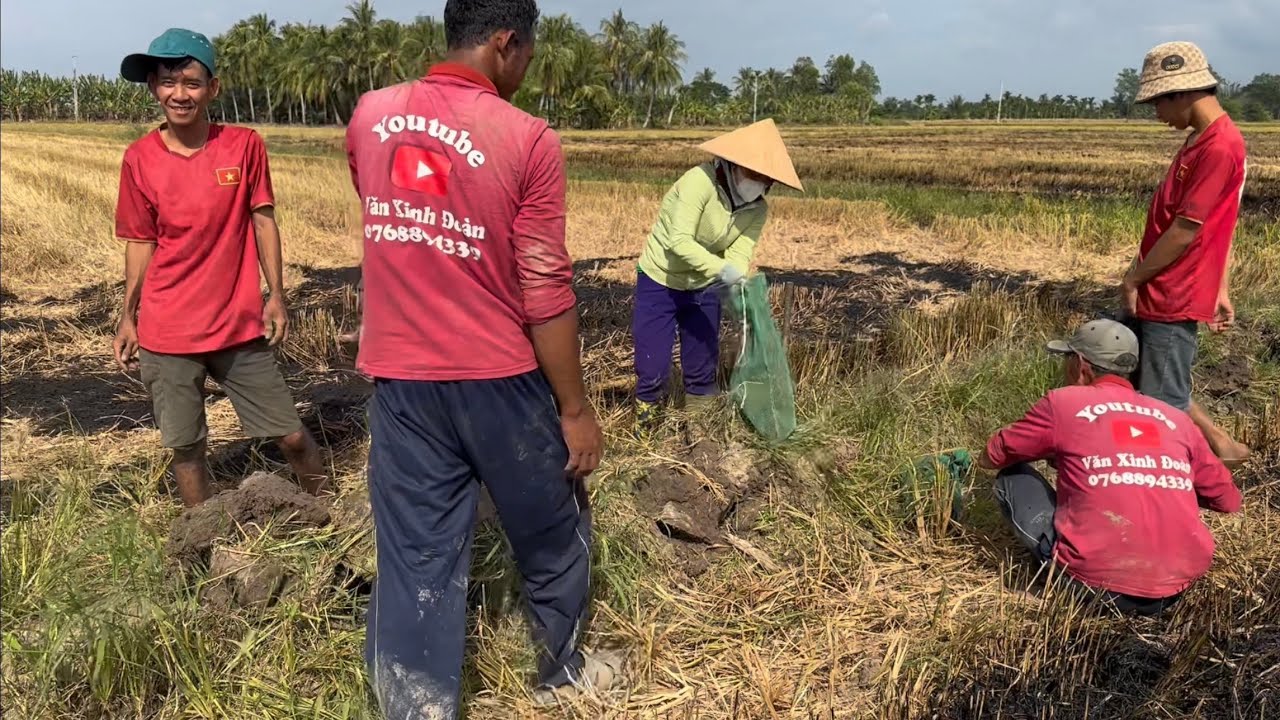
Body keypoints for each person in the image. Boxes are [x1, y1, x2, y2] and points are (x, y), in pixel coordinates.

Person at [343, 0, 619, 714]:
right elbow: (544, 286)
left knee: (415, 561)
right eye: (527, 55)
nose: (526, 70)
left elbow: (400, 225)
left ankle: (415, 706)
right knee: (555, 531)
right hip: (499, 380)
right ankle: (560, 675)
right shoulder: (526, 137)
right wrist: (576, 410)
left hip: (402, 383)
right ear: (505, 43)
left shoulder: (370, 116)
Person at [112, 28, 328, 507]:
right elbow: (140, 242)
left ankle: (332, 518)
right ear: (153, 88)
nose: (179, 94)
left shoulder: (243, 146)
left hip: (237, 327)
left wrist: (277, 295)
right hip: (168, 332)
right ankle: (200, 550)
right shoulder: (139, 159)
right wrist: (129, 315)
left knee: (292, 437)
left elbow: (263, 220)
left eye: (191, 82)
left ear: (213, 88)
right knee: (187, 451)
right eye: (167, 82)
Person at [980, 319, 1242, 617]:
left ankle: (1052, 570)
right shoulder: (1176, 418)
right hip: (1175, 589)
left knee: (1011, 476)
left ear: (1080, 365)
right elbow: (1228, 501)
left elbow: (993, 456)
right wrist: (1157, 476)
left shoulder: (1063, 403)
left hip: (1092, 586)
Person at [1120, 40, 1251, 467]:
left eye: (1158, 103)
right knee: (1146, 374)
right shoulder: (1201, 139)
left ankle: (1190, 481)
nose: (1157, 115)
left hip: (1171, 293)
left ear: (1183, 93)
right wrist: (1221, 286)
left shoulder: (1219, 146)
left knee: (1161, 404)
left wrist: (1134, 279)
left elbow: (1187, 228)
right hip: (1163, 285)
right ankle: (1220, 444)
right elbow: (1220, 226)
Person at [631, 119, 803, 426]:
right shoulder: (699, 182)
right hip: (661, 280)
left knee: (701, 366)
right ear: (733, 165)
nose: (759, 183)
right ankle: (645, 433)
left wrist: (734, 275)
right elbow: (679, 241)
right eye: (754, 174)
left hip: (703, 287)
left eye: (767, 180)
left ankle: (700, 435)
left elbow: (739, 253)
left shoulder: (756, 209)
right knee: (653, 367)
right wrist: (722, 269)